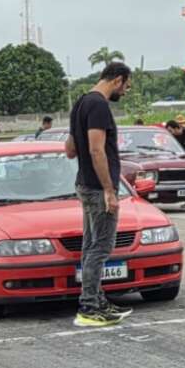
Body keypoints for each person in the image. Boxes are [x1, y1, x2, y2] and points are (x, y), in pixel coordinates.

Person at [66, 61, 134, 327]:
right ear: (117, 80)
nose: (125, 92)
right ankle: (89, 308)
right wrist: (109, 190)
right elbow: (97, 150)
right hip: (97, 187)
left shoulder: (81, 102)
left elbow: (70, 149)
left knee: (90, 246)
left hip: (84, 183)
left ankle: (96, 299)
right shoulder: (99, 105)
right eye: (126, 86)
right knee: (101, 248)